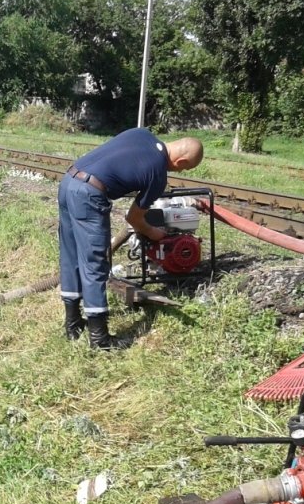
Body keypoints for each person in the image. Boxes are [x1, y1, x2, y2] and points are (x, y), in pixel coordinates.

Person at [58, 128, 203, 350]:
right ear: (182, 161)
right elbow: (133, 218)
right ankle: (99, 339)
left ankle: (73, 324)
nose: (180, 171)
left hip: (68, 181)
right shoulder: (157, 173)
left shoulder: (141, 133)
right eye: (185, 168)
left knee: (71, 256)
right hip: (89, 194)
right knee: (95, 263)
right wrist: (156, 233)